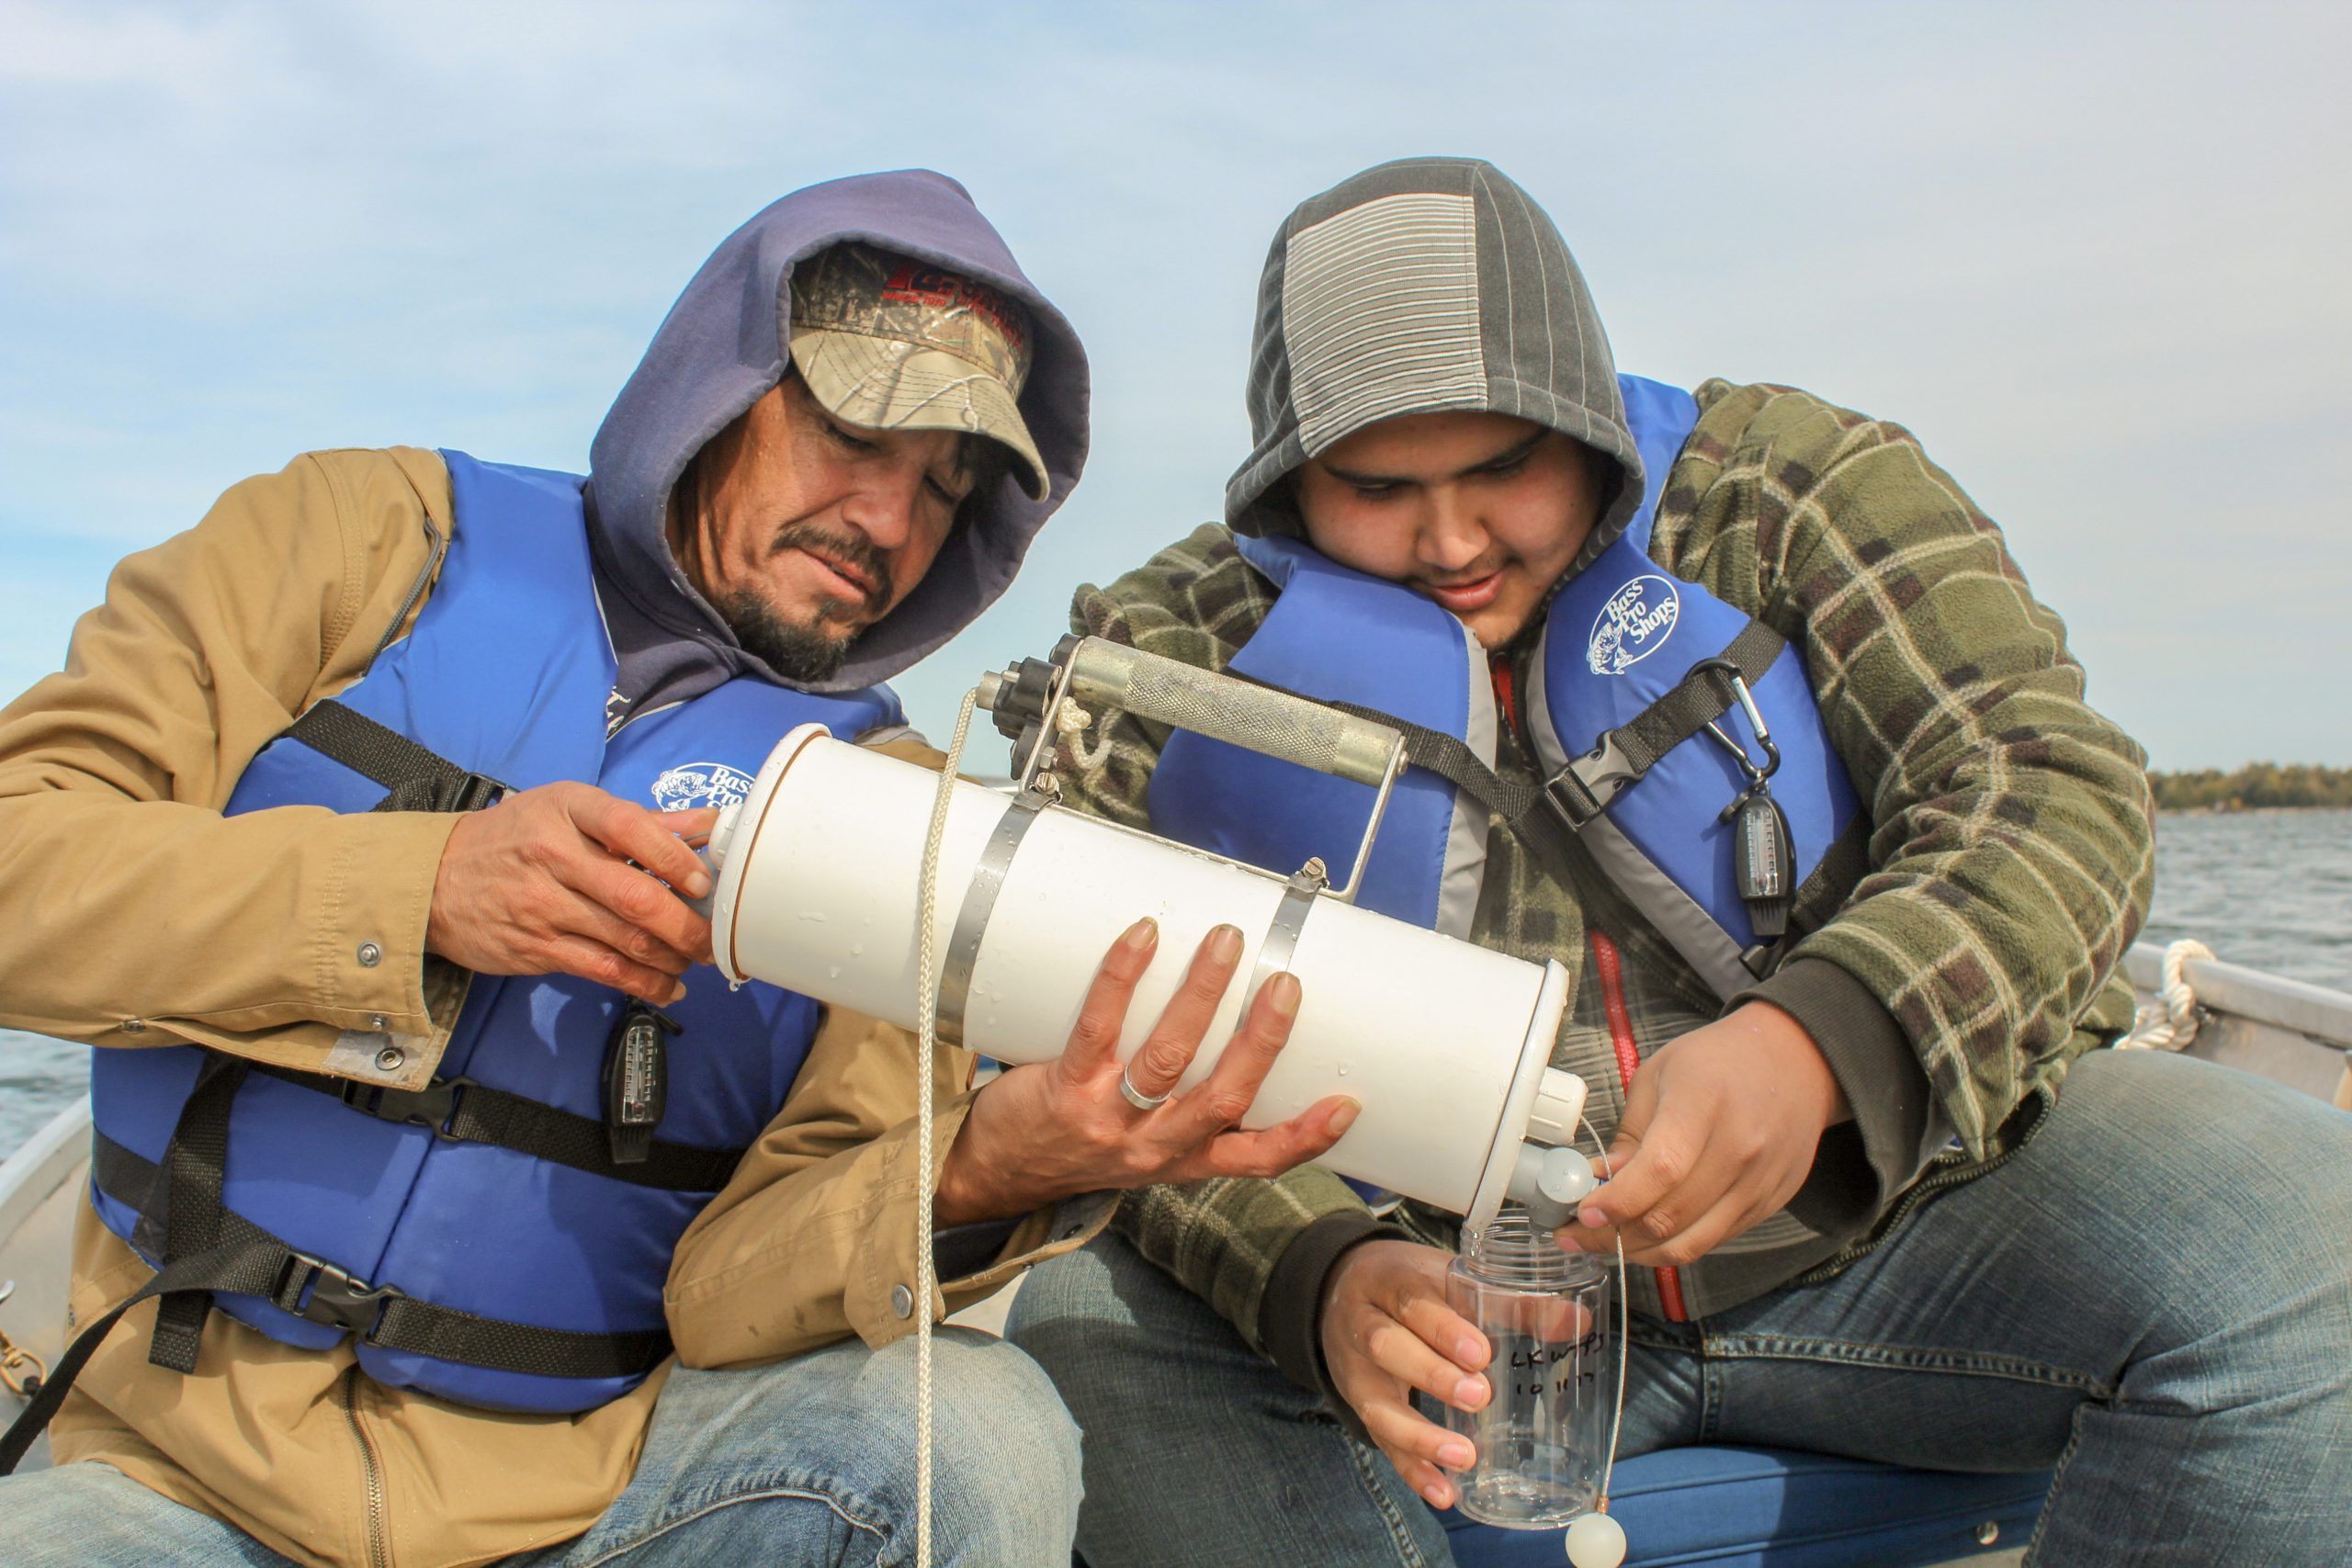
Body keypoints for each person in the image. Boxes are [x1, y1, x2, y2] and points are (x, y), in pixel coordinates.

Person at [1006, 156, 2352, 1567]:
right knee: (1085, 1327)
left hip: (1918, 1230)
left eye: (1504, 468)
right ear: (1289, 485)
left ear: (1584, 421)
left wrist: (1821, 1044)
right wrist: (1317, 1271)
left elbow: (2047, 784)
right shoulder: (1165, 647)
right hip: (1459, 1311)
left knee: (2317, 1255)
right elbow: (1078, 1042)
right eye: (1377, 488)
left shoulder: (1785, 486)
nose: (1452, 541)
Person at [0, 170, 1356, 1567]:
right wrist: (419, 890)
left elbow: (724, 1294)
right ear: (719, 388)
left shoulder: (905, 818)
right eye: (854, 434)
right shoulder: (362, 537)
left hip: (594, 1515)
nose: (889, 525)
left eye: (943, 490)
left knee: (981, 1431)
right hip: (167, 1487)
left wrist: (973, 1172)